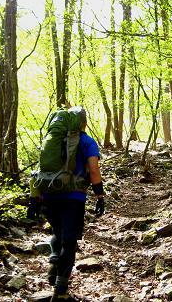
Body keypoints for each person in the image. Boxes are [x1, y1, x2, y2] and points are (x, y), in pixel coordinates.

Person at [33, 106, 105, 301]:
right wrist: (100, 196)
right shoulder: (87, 141)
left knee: (58, 233)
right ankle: (60, 290)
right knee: (70, 241)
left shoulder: (52, 140)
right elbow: (94, 170)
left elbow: (40, 170)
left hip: (49, 194)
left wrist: (35, 198)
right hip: (73, 198)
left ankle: (53, 266)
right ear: (84, 123)